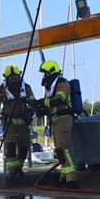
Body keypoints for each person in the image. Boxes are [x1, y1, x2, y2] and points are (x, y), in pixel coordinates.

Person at [36, 60, 79, 189]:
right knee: (60, 151)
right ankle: (64, 177)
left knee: (65, 150)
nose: (44, 76)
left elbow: (59, 99)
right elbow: (51, 104)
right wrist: (41, 109)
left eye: (46, 73)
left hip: (64, 119)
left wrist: (43, 103)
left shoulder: (62, 83)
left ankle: (72, 180)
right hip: (56, 120)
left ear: (51, 72)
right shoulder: (52, 86)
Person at [0, 64, 35, 180]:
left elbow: (32, 102)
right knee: (10, 146)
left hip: (23, 122)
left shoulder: (26, 88)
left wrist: (30, 112)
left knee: (24, 146)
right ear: (7, 78)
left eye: (15, 77)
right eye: (11, 78)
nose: (14, 80)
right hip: (9, 122)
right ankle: (11, 171)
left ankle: (19, 169)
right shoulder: (1, 89)